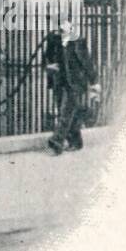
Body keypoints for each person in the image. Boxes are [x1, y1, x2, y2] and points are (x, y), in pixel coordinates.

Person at [44, 16, 100, 154]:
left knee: (66, 112)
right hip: (59, 81)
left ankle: (56, 142)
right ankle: (76, 141)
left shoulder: (78, 41)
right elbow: (47, 58)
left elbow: (86, 62)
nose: (61, 29)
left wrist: (94, 81)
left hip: (75, 83)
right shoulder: (53, 40)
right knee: (69, 113)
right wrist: (50, 66)